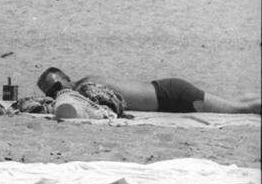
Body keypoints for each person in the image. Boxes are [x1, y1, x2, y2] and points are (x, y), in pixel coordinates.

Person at [38, 68, 261, 116]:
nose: (57, 92)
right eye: (52, 92)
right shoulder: (86, 82)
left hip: (172, 97)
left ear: (66, 78)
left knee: (238, 109)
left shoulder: (85, 89)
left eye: (58, 86)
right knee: (232, 104)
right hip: (168, 90)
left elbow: (111, 106)